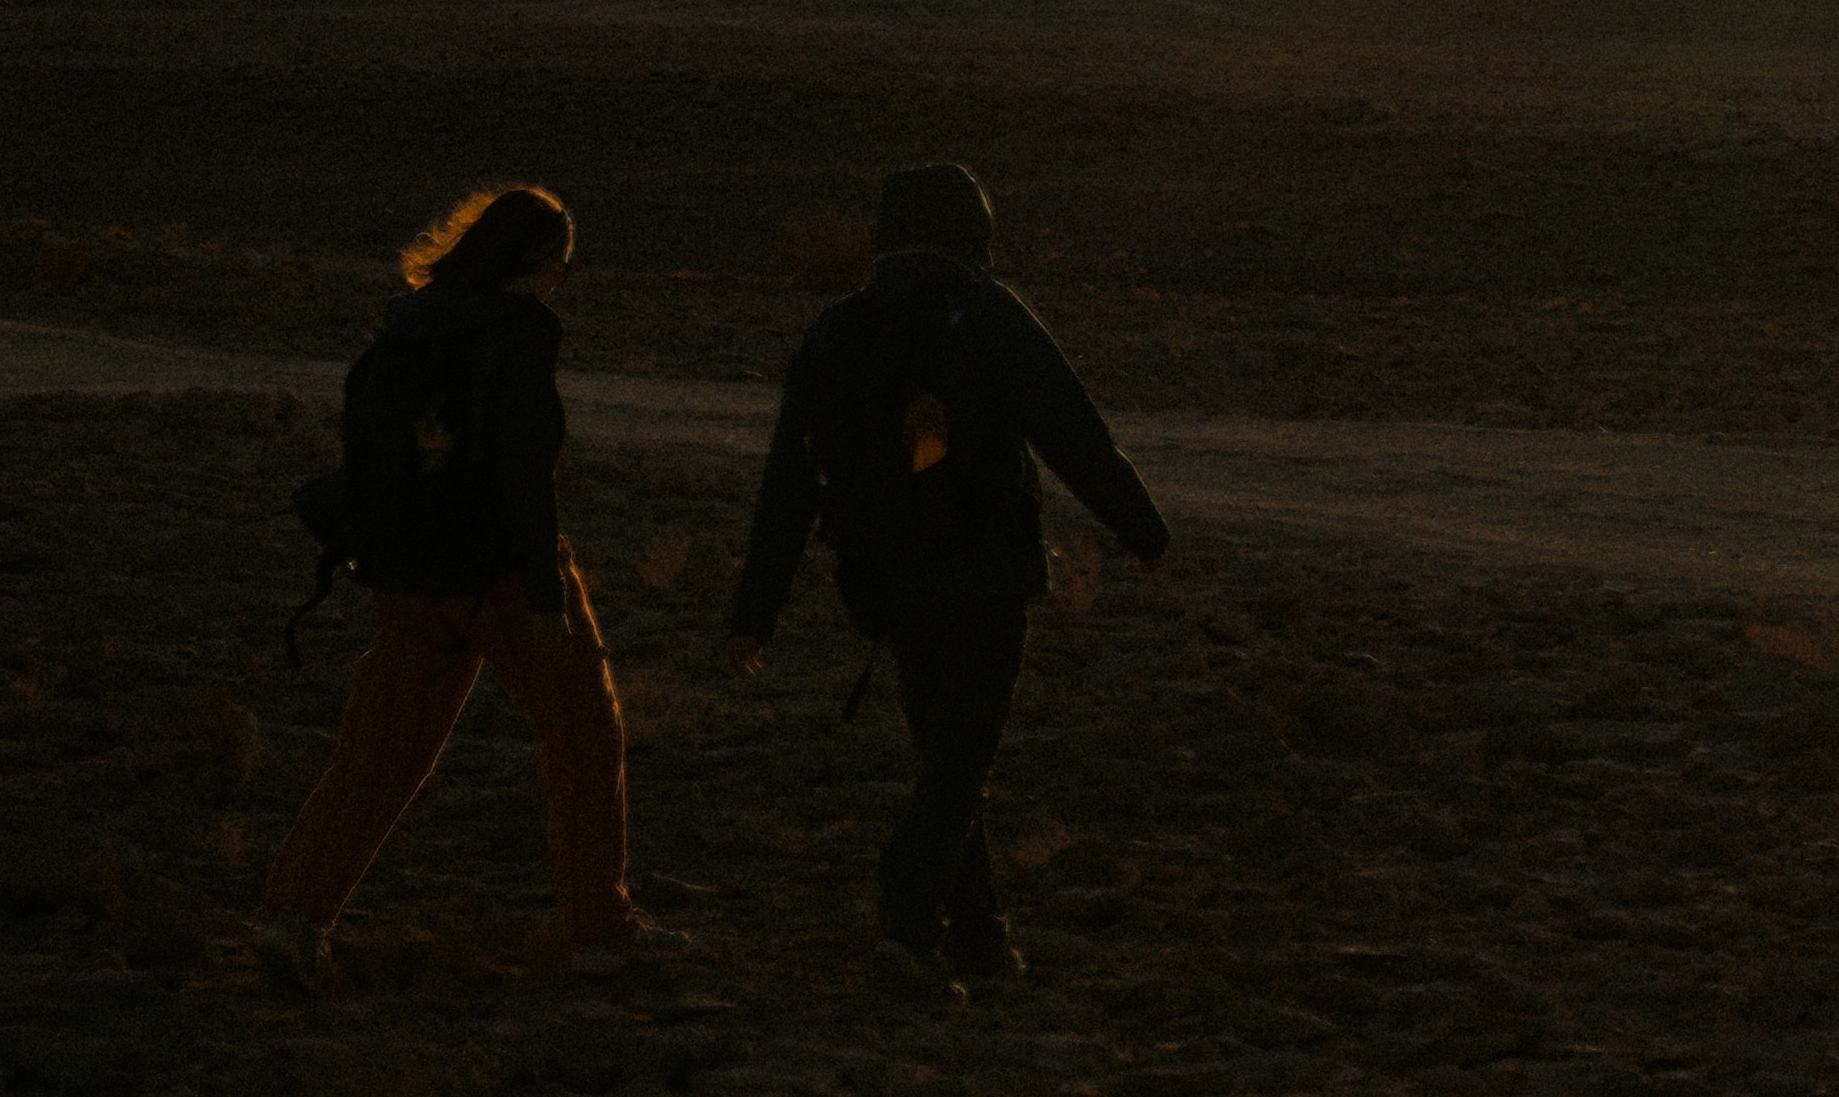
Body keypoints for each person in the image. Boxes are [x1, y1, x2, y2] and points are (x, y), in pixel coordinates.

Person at [734, 162, 1173, 999]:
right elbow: (1070, 429)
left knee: (947, 756)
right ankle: (907, 914)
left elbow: (789, 481)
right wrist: (1141, 530)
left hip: (886, 582)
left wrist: (755, 610)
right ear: (975, 232)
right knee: (960, 760)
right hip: (985, 574)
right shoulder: (988, 312)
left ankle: (980, 939)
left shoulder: (837, 331)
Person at [259, 183, 653, 975]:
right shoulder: (520, 333)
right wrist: (545, 598)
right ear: (533, 261)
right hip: (495, 574)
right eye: (562, 262)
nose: (562, 278)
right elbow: (524, 479)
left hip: (406, 569)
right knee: (583, 733)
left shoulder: (411, 325)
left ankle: (293, 917)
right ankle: (598, 930)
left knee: (378, 755)